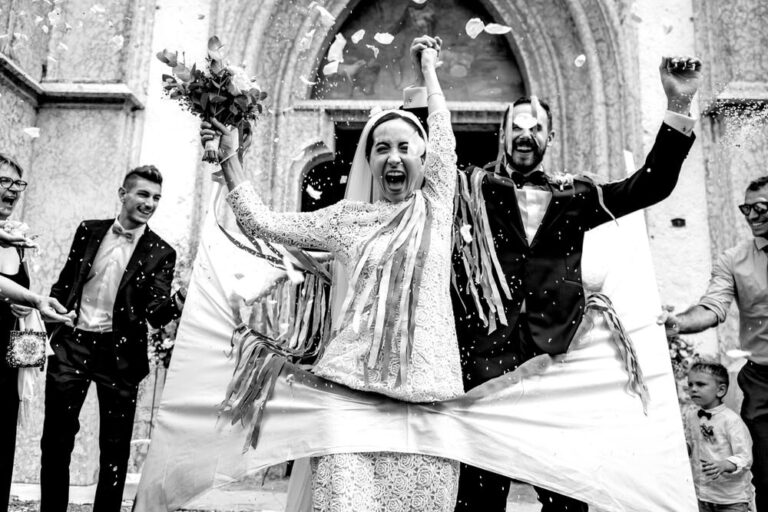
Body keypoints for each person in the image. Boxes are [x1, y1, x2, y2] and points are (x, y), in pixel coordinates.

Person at [404, 37, 702, 511]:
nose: (526, 135)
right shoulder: (472, 188)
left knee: (567, 501)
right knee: (479, 499)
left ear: (550, 138)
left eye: (536, 128)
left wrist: (679, 105)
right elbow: (428, 154)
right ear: (502, 135)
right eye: (517, 127)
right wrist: (424, 76)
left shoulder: (577, 196)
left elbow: (651, 185)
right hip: (485, 365)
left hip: (557, 366)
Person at [202, 44, 464, 511]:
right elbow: (263, 222)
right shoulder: (346, 220)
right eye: (382, 148)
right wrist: (229, 158)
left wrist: (429, 70)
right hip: (348, 397)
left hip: (429, 403)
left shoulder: (436, 206)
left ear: (425, 159)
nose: (394, 157)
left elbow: (444, 133)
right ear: (369, 159)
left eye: (405, 147)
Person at [39, 165, 185, 512]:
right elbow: (66, 283)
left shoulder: (161, 252)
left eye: (156, 198)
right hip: (72, 345)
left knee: (114, 451)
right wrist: (50, 324)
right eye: (143, 194)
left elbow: (155, 314)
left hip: (120, 357)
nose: (150, 203)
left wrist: (181, 300)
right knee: (56, 441)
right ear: (123, 194)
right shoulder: (88, 230)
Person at [662, 175, 768, 512]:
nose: (752, 216)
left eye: (761, 207)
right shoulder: (733, 259)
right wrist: (678, 323)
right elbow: (712, 307)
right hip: (762, 381)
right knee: (766, 474)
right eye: (746, 209)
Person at [0, 153, 75, 512]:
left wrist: (28, 308)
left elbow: (18, 295)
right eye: (4, 181)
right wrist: (30, 299)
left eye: (18, 183)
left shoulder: (18, 238)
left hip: (8, 361)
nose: (13, 190)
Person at [684, 361, 753, 511]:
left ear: (720, 390)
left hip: (731, 499)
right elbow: (691, 443)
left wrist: (724, 465)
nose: (693, 389)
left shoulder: (731, 421)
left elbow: (745, 457)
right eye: (690, 384)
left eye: (700, 384)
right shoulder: (691, 416)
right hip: (702, 495)